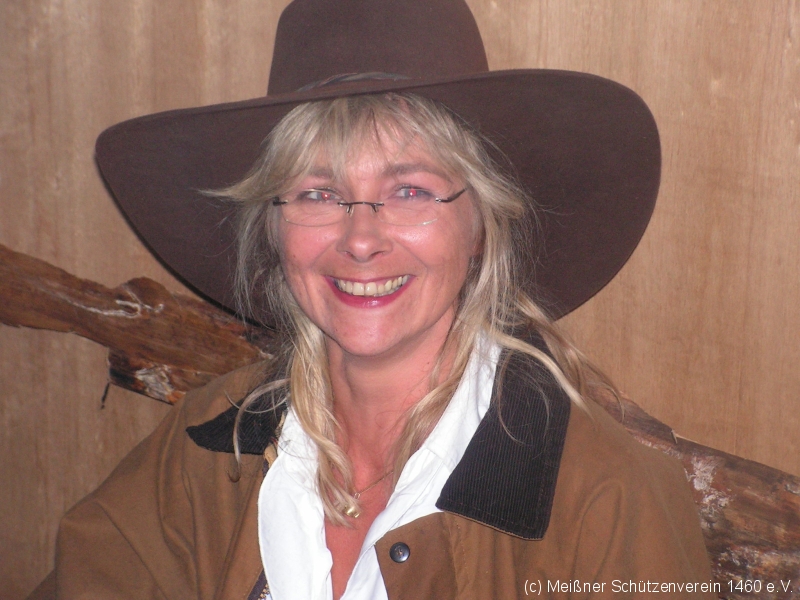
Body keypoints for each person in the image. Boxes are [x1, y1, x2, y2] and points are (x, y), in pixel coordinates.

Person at [52, 0, 714, 598]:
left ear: (481, 227)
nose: (361, 240)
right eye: (318, 193)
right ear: (274, 229)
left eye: (410, 191)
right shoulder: (208, 446)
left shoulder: (607, 501)